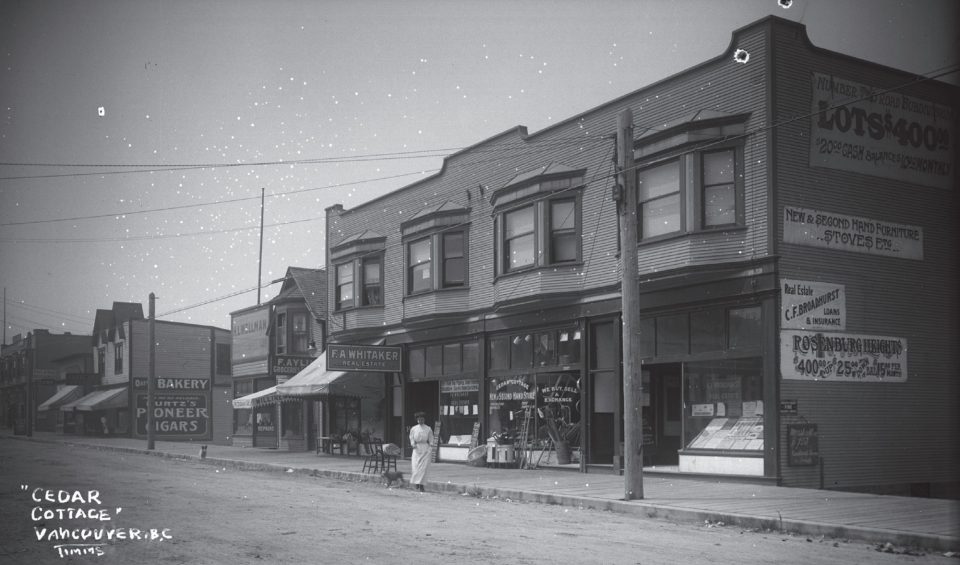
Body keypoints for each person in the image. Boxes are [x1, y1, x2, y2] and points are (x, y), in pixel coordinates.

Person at [408, 411, 434, 492]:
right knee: (416, 467)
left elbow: (431, 439)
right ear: (417, 420)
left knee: (424, 468)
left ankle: (422, 485)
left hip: (425, 449)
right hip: (416, 449)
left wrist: (430, 448)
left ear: (424, 419)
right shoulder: (414, 428)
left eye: (422, 419)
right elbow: (411, 437)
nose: (420, 421)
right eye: (419, 420)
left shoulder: (428, 429)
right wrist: (413, 444)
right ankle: (416, 483)